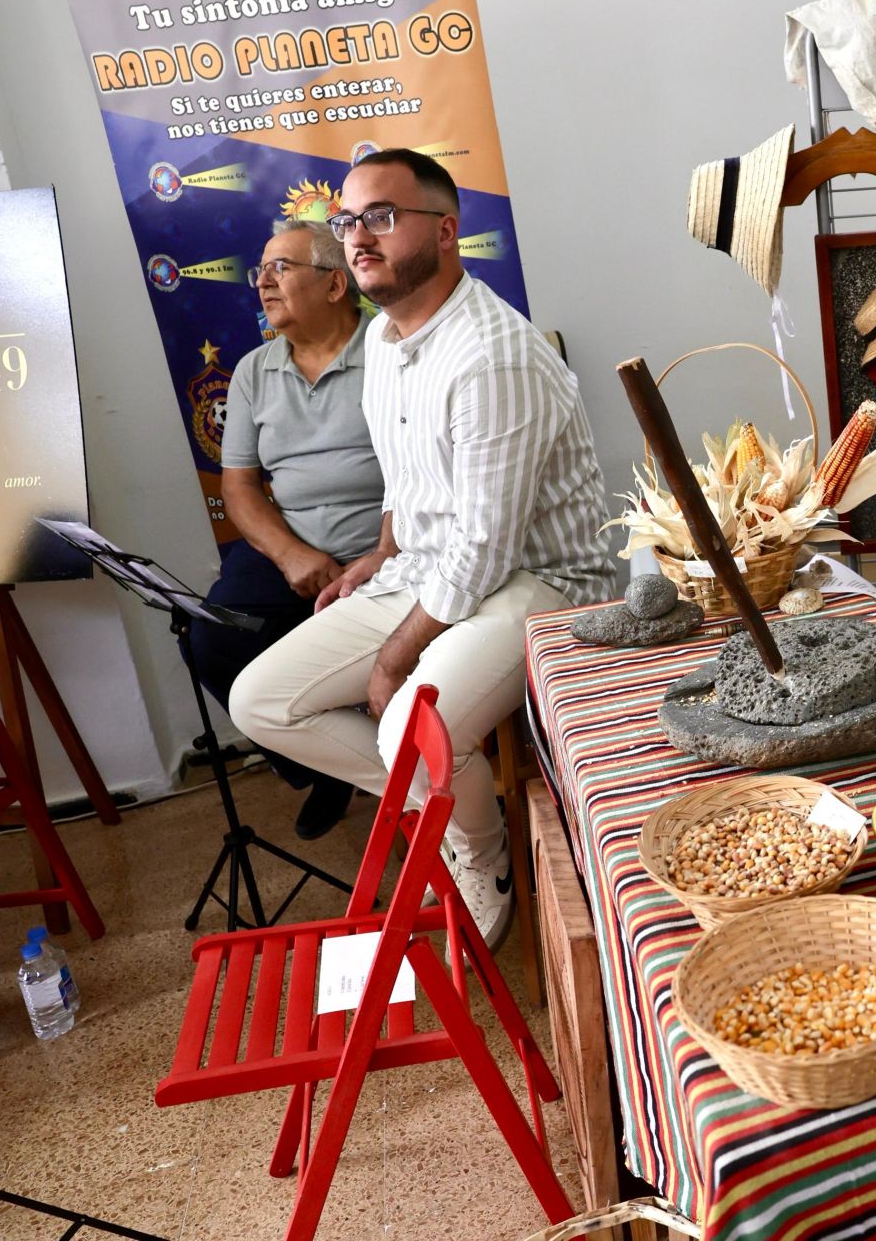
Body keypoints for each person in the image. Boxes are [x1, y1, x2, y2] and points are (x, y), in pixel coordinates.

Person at [230, 149, 616, 946]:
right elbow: (408, 487)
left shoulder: (492, 354)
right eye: (347, 221)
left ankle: (477, 846)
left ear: (445, 231)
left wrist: (392, 657)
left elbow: (484, 545)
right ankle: (453, 808)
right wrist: (380, 554)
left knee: (406, 716)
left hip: (543, 580)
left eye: (380, 217)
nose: (357, 237)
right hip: (434, 568)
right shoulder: (386, 343)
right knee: (258, 701)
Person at [196, 218, 381, 840]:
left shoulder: (390, 347)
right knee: (211, 637)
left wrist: (382, 554)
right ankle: (322, 762)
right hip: (295, 543)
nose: (263, 284)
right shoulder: (253, 370)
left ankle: (374, 763)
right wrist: (291, 554)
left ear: (335, 285)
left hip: (386, 544)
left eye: (281, 269)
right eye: (261, 272)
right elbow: (240, 486)